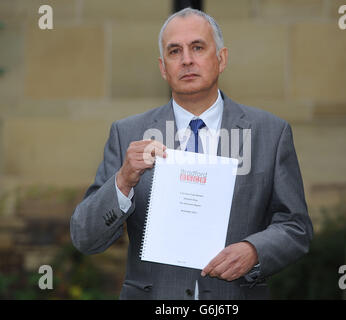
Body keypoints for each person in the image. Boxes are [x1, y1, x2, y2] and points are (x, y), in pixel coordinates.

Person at [70, 8, 313, 300]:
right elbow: (85, 236)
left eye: (198, 47)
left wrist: (254, 251)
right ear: (163, 68)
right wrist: (123, 181)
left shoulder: (270, 134)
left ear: (221, 58)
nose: (187, 60)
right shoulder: (127, 134)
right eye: (175, 51)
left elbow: (296, 226)